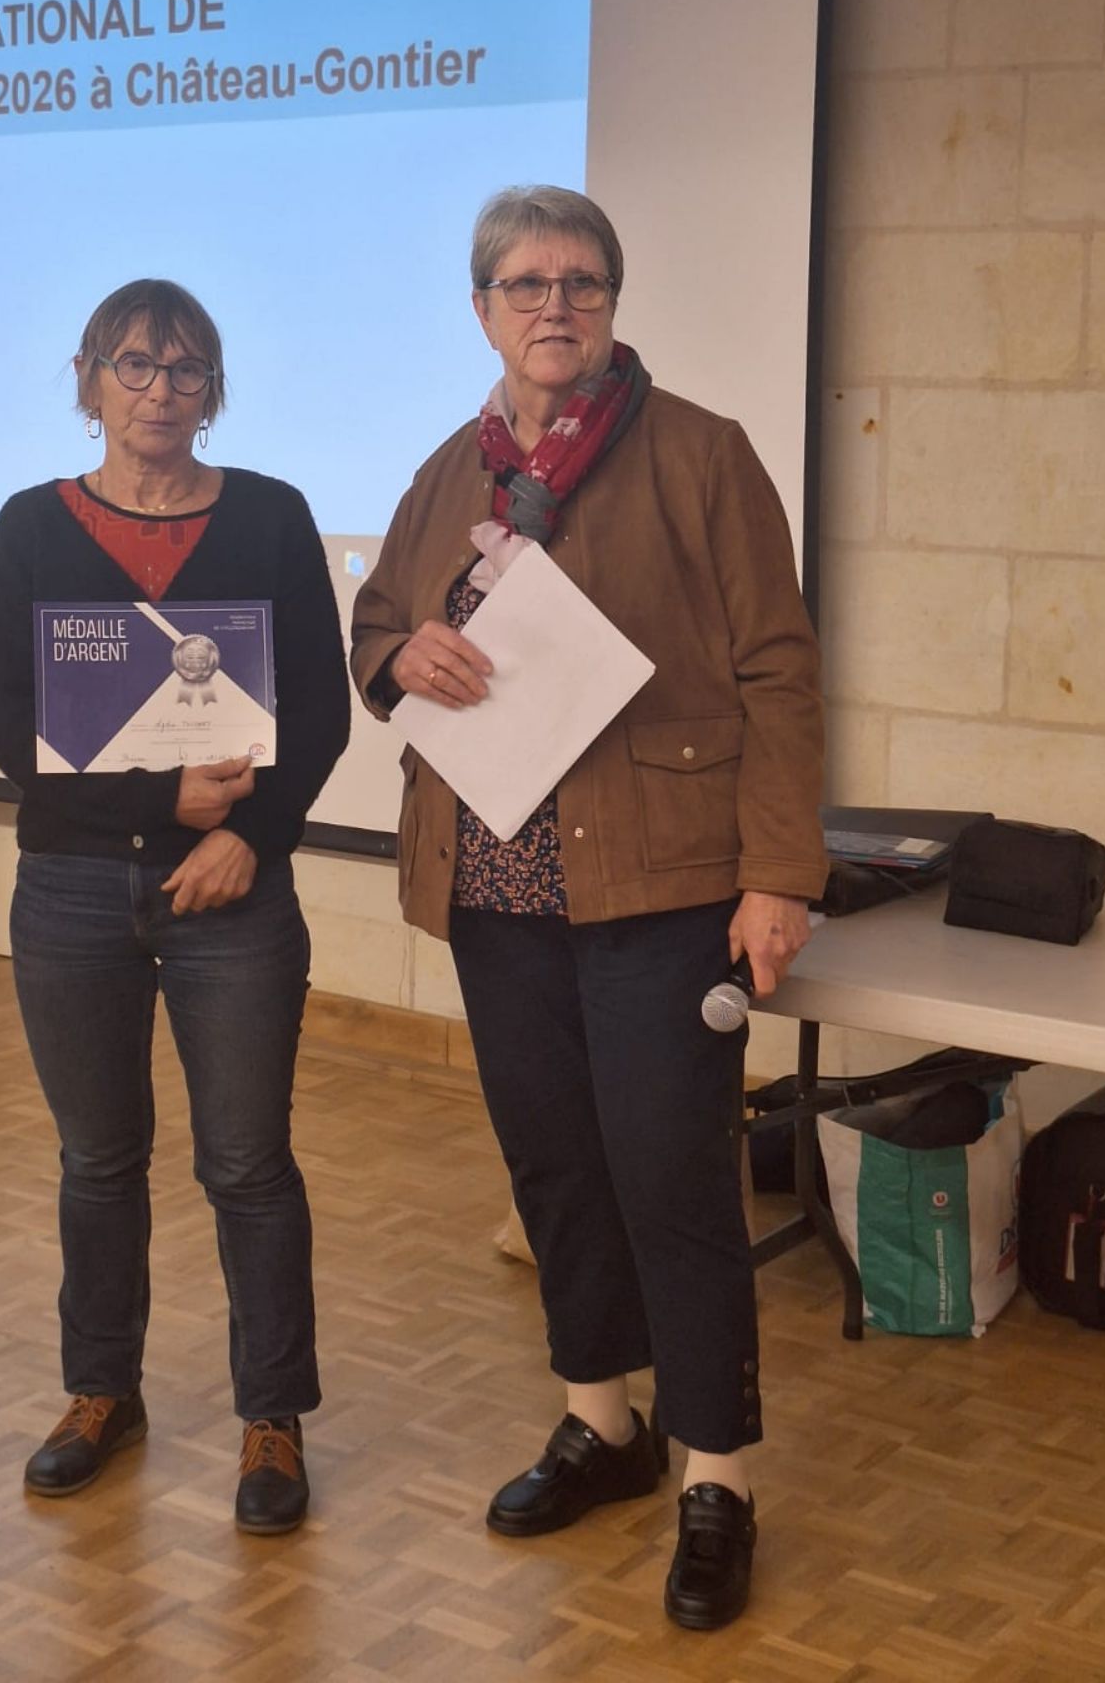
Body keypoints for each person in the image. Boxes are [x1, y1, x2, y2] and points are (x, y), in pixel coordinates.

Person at [350, 187, 825, 1629]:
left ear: (613, 304)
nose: (555, 305)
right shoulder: (449, 470)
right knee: (554, 1168)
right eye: (526, 283)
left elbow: (778, 668)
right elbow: (376, 625)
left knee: (672, 1178)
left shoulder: (701, 453)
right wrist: (402, 658)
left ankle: (717, 1476)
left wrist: (778, 872)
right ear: (483, 309)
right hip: (497, 891)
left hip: (662, 886)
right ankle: (602, 1422)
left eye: (582, 283)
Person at [0, 277, 349, 1533]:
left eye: (187, 369)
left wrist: (250, 833)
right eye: (134, 364)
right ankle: (102, 1392)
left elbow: (320, 708)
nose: (160, 391)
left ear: (214, 391)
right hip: (71, 889)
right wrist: (159, 803)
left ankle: (273, 1416)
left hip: (234, 889)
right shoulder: (32, 524)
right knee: (97, 1160)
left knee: (248, 1164)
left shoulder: (272, 515)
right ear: (89, 380)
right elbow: (7, 721)